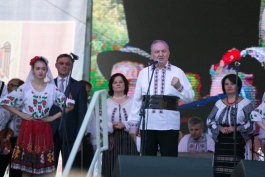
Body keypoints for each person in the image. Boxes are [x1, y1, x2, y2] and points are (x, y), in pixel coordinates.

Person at [0, 56, 74, 176]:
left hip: (44, 128)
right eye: (37, 68)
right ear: (33, 70)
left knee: (42, 169)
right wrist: (21, 114)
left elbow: (70, 105)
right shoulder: (25, 87)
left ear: (46, 71)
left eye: (43, 69)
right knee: (26, 169)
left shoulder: (51, 88)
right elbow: (4, 102)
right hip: (28, 128)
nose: (40, 71)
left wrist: (53, 117)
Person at [128, 40, 194, 157]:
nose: (160, 54)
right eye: (157, 52)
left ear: (168, 53)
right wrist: (133, 124)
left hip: (169, 125)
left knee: (169, 162)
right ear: (152, 55)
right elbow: (137, 100)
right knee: (147, 162)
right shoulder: (144, 73)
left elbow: (190, 98)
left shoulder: (178, 72)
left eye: (163, 51)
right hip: (148, 125)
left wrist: (179, 87)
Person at [206, 73, 254, 177]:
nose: (229, 86)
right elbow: (209, 120)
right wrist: (220, 128)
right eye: (226, 84)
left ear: (238, 86)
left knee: (235, 170)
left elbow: (251, 123)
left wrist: (235, 128)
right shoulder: (219, 103)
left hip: (237, 142)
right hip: (221, 143)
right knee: (219, 171)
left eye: (232, 84)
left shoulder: (246, 103)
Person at [49, 54, 88, 169]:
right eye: (61, 63)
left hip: (70, 135)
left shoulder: (79, 86)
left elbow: (82, 114)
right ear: (56, 65)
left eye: (67, 64)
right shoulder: (49, 85)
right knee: (49, 169)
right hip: (51, 133)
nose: (64, 66)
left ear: (71, 66)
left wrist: (79, 138)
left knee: (70, 169)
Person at [102, 73, 138, 177]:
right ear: (111, 85)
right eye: (115, 82)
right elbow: (100, 122)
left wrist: (125, 125)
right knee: (110, 169)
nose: (118, 84)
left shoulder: (133, 102)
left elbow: (138, 120)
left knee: (129, 170)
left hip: (130, 140)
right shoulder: (105, 102)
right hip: (111, 141)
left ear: (125, 85)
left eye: (121, 82)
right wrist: (111, 125)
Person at [0, 78, 24, 177]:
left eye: (13, 85)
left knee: (16, 173)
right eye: (8, 85)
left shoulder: (24, 104)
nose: (9, 87)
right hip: (3, 141)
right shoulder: (4, 101)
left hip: (18, 143)